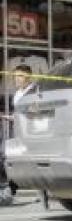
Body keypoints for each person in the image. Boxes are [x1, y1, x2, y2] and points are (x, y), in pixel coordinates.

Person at [1, 65, 33, 206]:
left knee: (18, 159)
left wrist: (15, 118)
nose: (17, 79)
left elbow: (31, 112)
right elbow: (18, 114)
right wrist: (9, 117)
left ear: (28, 77)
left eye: (20, 76)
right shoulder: (18, 93)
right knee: (9, 157)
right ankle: (10, 191)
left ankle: (10, 191)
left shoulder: (32, 92)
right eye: (15, 76)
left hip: (28, 132)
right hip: (17, 130)